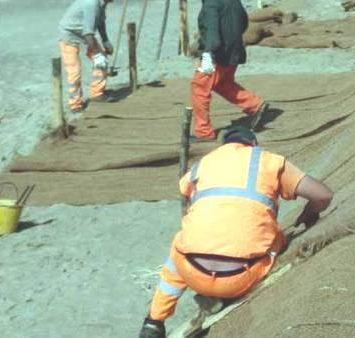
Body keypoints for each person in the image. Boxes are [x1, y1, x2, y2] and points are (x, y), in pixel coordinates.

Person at [138, 124, 333, 338]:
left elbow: (185, 192)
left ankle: (154, 321)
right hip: (240, 277)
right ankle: (223, 295)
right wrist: (309, 213)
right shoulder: (268, 161)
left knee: (179, 250)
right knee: (276, 235)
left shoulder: (203, 164)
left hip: (192, 273)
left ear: (225, 145)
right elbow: (323, 195)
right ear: (254, 144)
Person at [180, 0, 267, 141]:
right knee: (222, 83)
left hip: (216, 53)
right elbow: (243, 20)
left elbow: (212, 29)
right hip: (234, 51)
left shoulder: (210, 2)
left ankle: (203, 132)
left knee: (199, 87)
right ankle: (255, 105)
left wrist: (207, 53)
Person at [57, 0, 118, 113]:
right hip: (69, 34)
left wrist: (106, 41)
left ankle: (97, 93)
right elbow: (88, 31)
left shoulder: (102, 2)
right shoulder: (91, 3)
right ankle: (75, 104)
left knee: (102, 62)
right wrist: (95, 54)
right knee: (74, 70)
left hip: (84, 33)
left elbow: (100, 23)